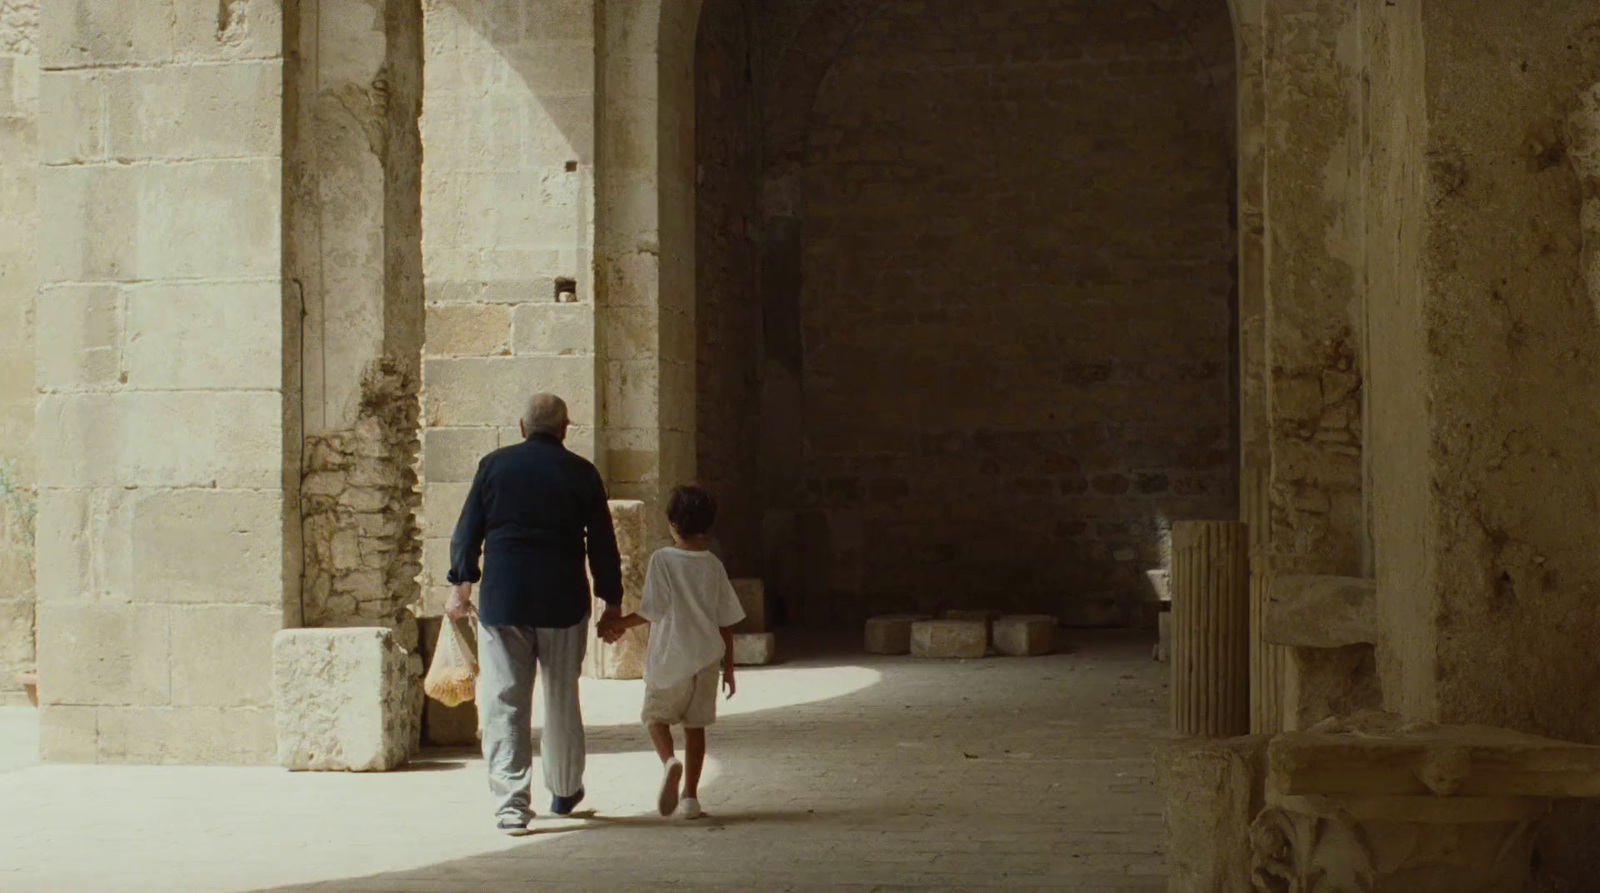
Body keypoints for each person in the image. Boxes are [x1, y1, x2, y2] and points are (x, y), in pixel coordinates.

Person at [445, 393, 622, 834]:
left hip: (505, 599)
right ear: (566, 429)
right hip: (563, 599)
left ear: (523, 427)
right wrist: (612, 602)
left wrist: (461, 586)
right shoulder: (582, 472)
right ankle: (563, 790)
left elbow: (467, 531)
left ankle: (511, 806)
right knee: (562, 696)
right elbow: (602, 543)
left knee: (504, 699)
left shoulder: (493, 465)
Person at [599, 485, 744, 820]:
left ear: (673, 524)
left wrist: (620, 623)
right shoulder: (714, 565)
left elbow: (653, 609)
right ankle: (691, 798)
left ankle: (669, 761)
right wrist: (731, 669)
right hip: (707, 660)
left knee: (654, 718)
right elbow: (727, 621)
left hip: (670, 659)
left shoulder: (663, 559)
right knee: (696, 728)